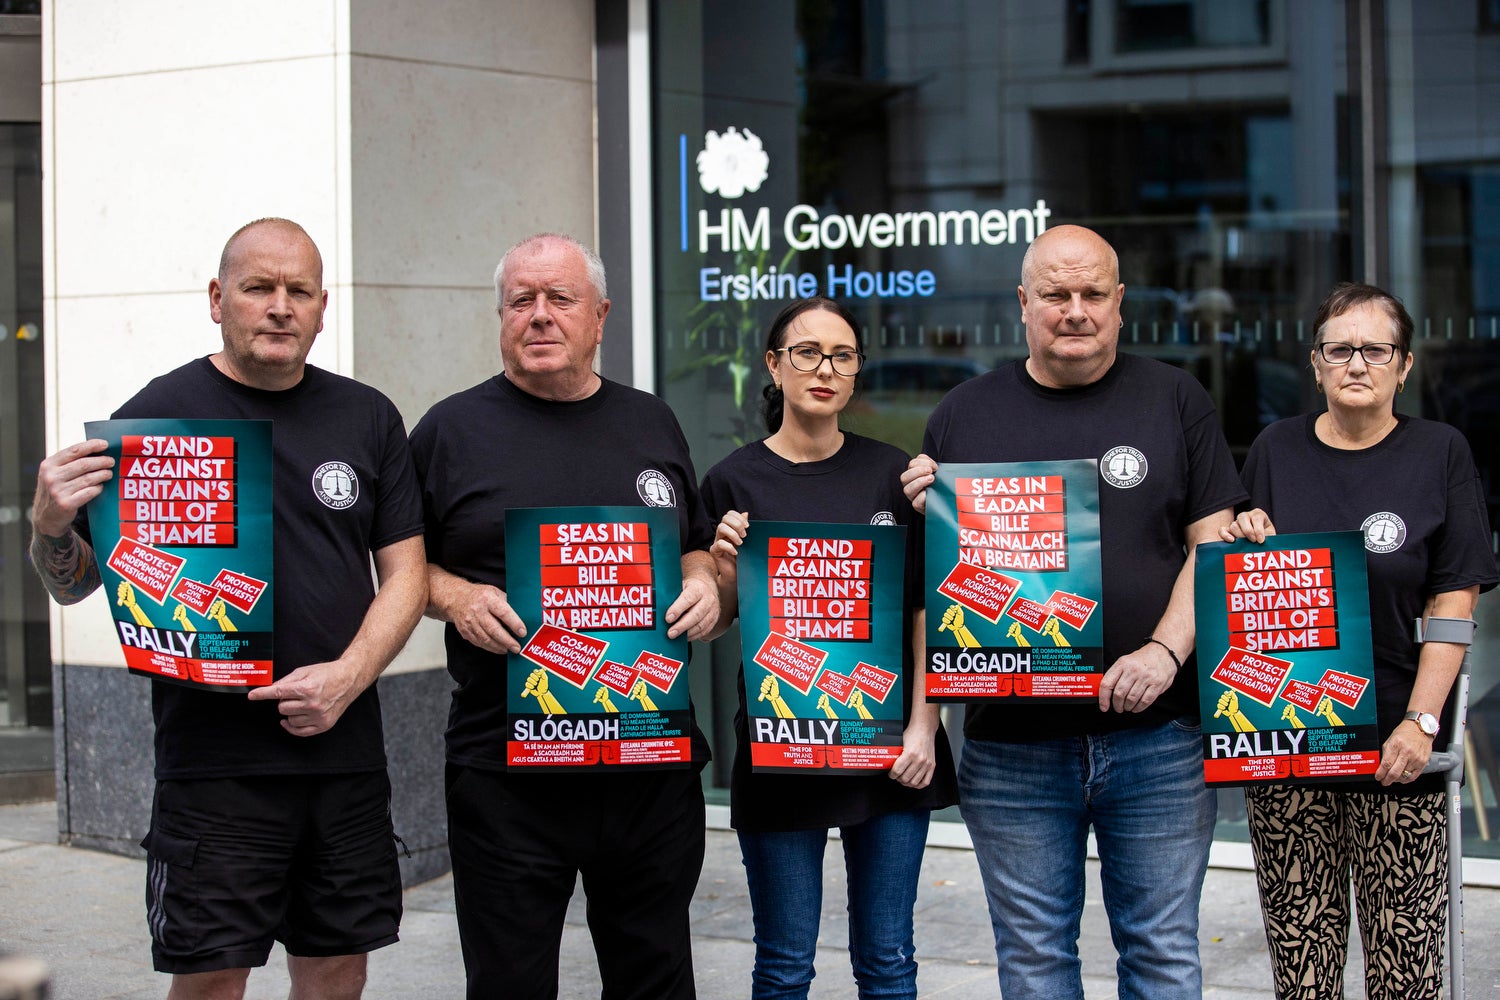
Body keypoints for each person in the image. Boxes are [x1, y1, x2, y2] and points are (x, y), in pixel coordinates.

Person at [29, 218, 428, 1000]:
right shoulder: (155, 418)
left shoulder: (368, 416)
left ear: (321, 307)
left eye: (299, 291)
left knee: (339, 971)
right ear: (218, 299)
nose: (280, 307)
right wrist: (49, 527)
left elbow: (406, 574)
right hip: (212, 765)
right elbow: (76, 582)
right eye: (259, 288)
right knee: (211, 979)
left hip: (343, 756)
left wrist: (348, 677)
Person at [901, 224, 1246, 999]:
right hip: (1014, 749)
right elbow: (937, 582)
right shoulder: (963, 415)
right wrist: (930, 512)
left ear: (1121, 304)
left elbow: (1213, 543)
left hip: (1160, 740)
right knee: (1033, 966)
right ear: (1024, 303)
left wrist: (1164, 651)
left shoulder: (1175, 398)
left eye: (1094, 293)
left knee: (1162, 958)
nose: (1076, 310)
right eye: (1056, 294)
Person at [409, 232, 720, 999]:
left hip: (647, 760)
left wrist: (705, 580)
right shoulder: (448, 431)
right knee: (509, 983)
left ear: (601, 316)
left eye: (560, 299)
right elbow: (393, 568)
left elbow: (695, 547)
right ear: (500, 316)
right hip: (507, 768)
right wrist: (454, 596)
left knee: (656, 978)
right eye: (522, 301)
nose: (540, 316)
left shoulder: (653, 422)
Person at [1221, 282, 1497, 999]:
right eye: (1339, 349)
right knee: (1302, 968)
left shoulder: (1440, 452)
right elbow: (1251, 592)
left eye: (1376, 350)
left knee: (1405, 969)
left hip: (1394, 749)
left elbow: (1453, 601)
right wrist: (1248, 540)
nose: (1356, 364)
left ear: (1404, 366)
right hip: (1289, 745)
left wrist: (1422, 722)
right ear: (1315, 363)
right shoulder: (1277, 449)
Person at [699, 297, 959, 999]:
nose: (825, 369)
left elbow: (923, 608)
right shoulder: (731, 481)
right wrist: (722, 567)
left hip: (888, 752)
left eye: (842, 356)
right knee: (784, 966)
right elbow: (721, 623)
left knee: (887, 960)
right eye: (808, 353)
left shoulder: (893, 474)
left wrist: (924, 728)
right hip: (782, 746)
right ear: (774, 365)